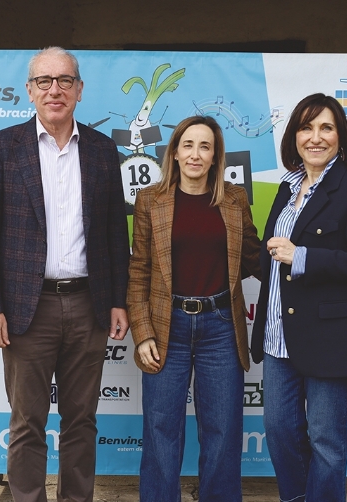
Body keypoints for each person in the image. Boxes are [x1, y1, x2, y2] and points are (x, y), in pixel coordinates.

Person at [0, 47, 130, 502]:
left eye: (64, 81)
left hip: (88, 305)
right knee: (27, 422)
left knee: (82, 421)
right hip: (26, 309)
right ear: (30, 90)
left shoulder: (102, 150)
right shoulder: (2, 148)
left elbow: (115, 233)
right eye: (44, 81)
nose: (54, 89)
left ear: (79, 90)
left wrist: (118, 300)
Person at [251, 93, 347, 501]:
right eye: (306, 128)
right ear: (294, 136)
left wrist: (302, 256)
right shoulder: (286, 189)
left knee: (326, 440)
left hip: (331, 339)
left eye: (326, 127)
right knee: (279, 432)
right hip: (279, 338)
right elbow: (269, 256)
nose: (315, 137)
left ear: (340, 136)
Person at [127, 115, 260, 502]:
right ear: (174, 153)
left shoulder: (234, 199)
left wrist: (302, 260)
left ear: (216, 156)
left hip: (221, 327)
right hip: (166, 325)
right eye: (188, 145)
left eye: (205, 146)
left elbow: (252, 257)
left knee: (223, 431)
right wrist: (142, 333)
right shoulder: (150, 200)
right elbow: (139, 270)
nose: (195, 154)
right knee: (161, 430)